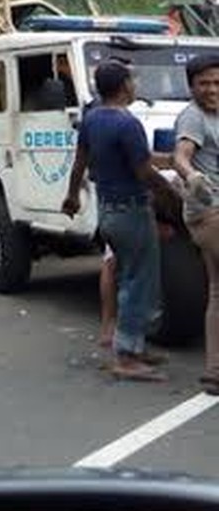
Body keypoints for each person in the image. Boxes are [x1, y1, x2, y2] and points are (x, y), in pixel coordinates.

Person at [62, 59, 178, 381]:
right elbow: (142, 171)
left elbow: (80, 162)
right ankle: (126, 357)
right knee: (138, 282)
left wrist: (71, 198)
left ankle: (135, 346)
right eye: (133, 79)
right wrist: (171, 194)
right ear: (125, 86)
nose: (136, 84)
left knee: (132, 276)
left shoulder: (93, 119)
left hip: (108, 210)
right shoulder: (127, 123)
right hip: (131, 210)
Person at [171, 51, 219, 395]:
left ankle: (215, 371)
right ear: (191, 87)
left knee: (217, 290)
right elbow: (180, 156)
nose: (212, 89)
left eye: (217, 82)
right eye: (204, 84)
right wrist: (192, 175)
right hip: (209, 211)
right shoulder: (193, 118)